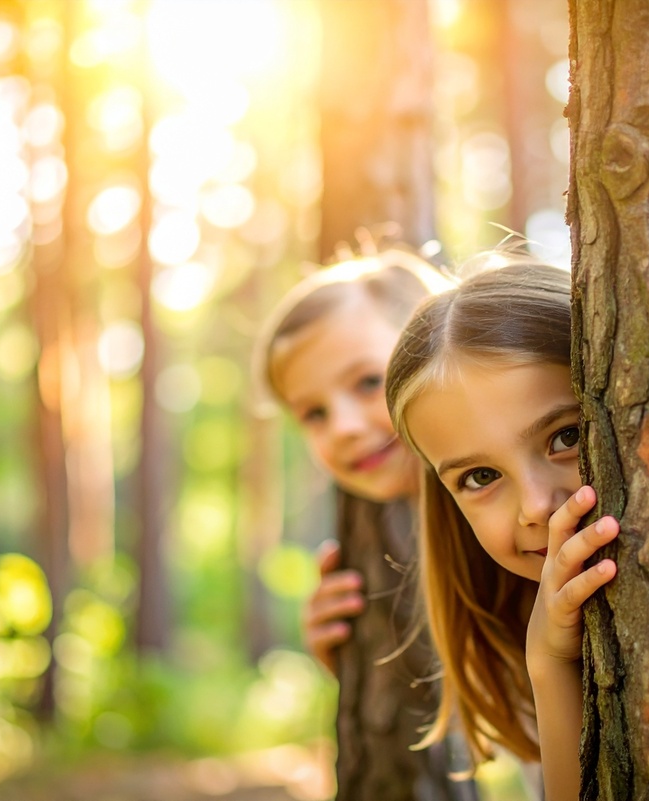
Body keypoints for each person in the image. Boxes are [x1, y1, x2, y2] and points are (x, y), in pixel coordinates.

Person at [385, 261, 615, 800]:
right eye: (481, 477)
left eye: (566, 437)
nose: (536, 506)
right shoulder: (517, 642)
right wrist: (550, 666)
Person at [252, 247, 452, 672]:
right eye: (314, 413)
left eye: (367, 382)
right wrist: (353, 663)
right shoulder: (387, 545)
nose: (343, 428)